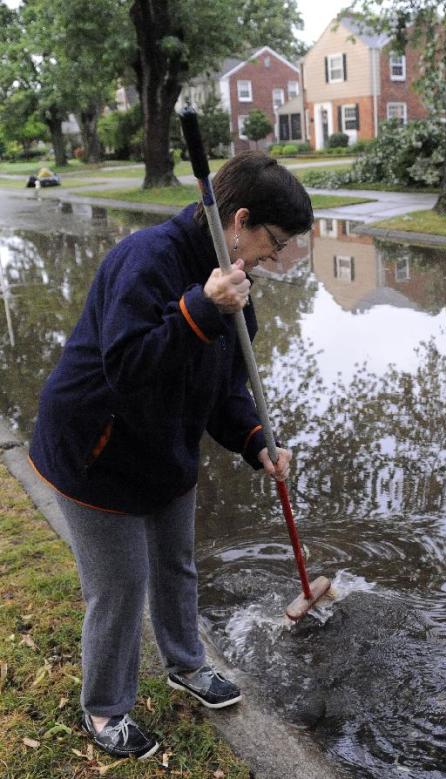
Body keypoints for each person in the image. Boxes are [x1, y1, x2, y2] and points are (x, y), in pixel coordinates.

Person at [28, 151, 314, 760]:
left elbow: (225, 386)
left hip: (165, 445)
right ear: (239, 220)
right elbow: (128, 365)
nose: (275, 256)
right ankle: (105, 710)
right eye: (275, 241)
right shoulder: (146, 259)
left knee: (177, 563)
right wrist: (200, 311)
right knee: (121, 586)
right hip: (98, 448)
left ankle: (187, 663)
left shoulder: (236, 286)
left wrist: (255, 439)